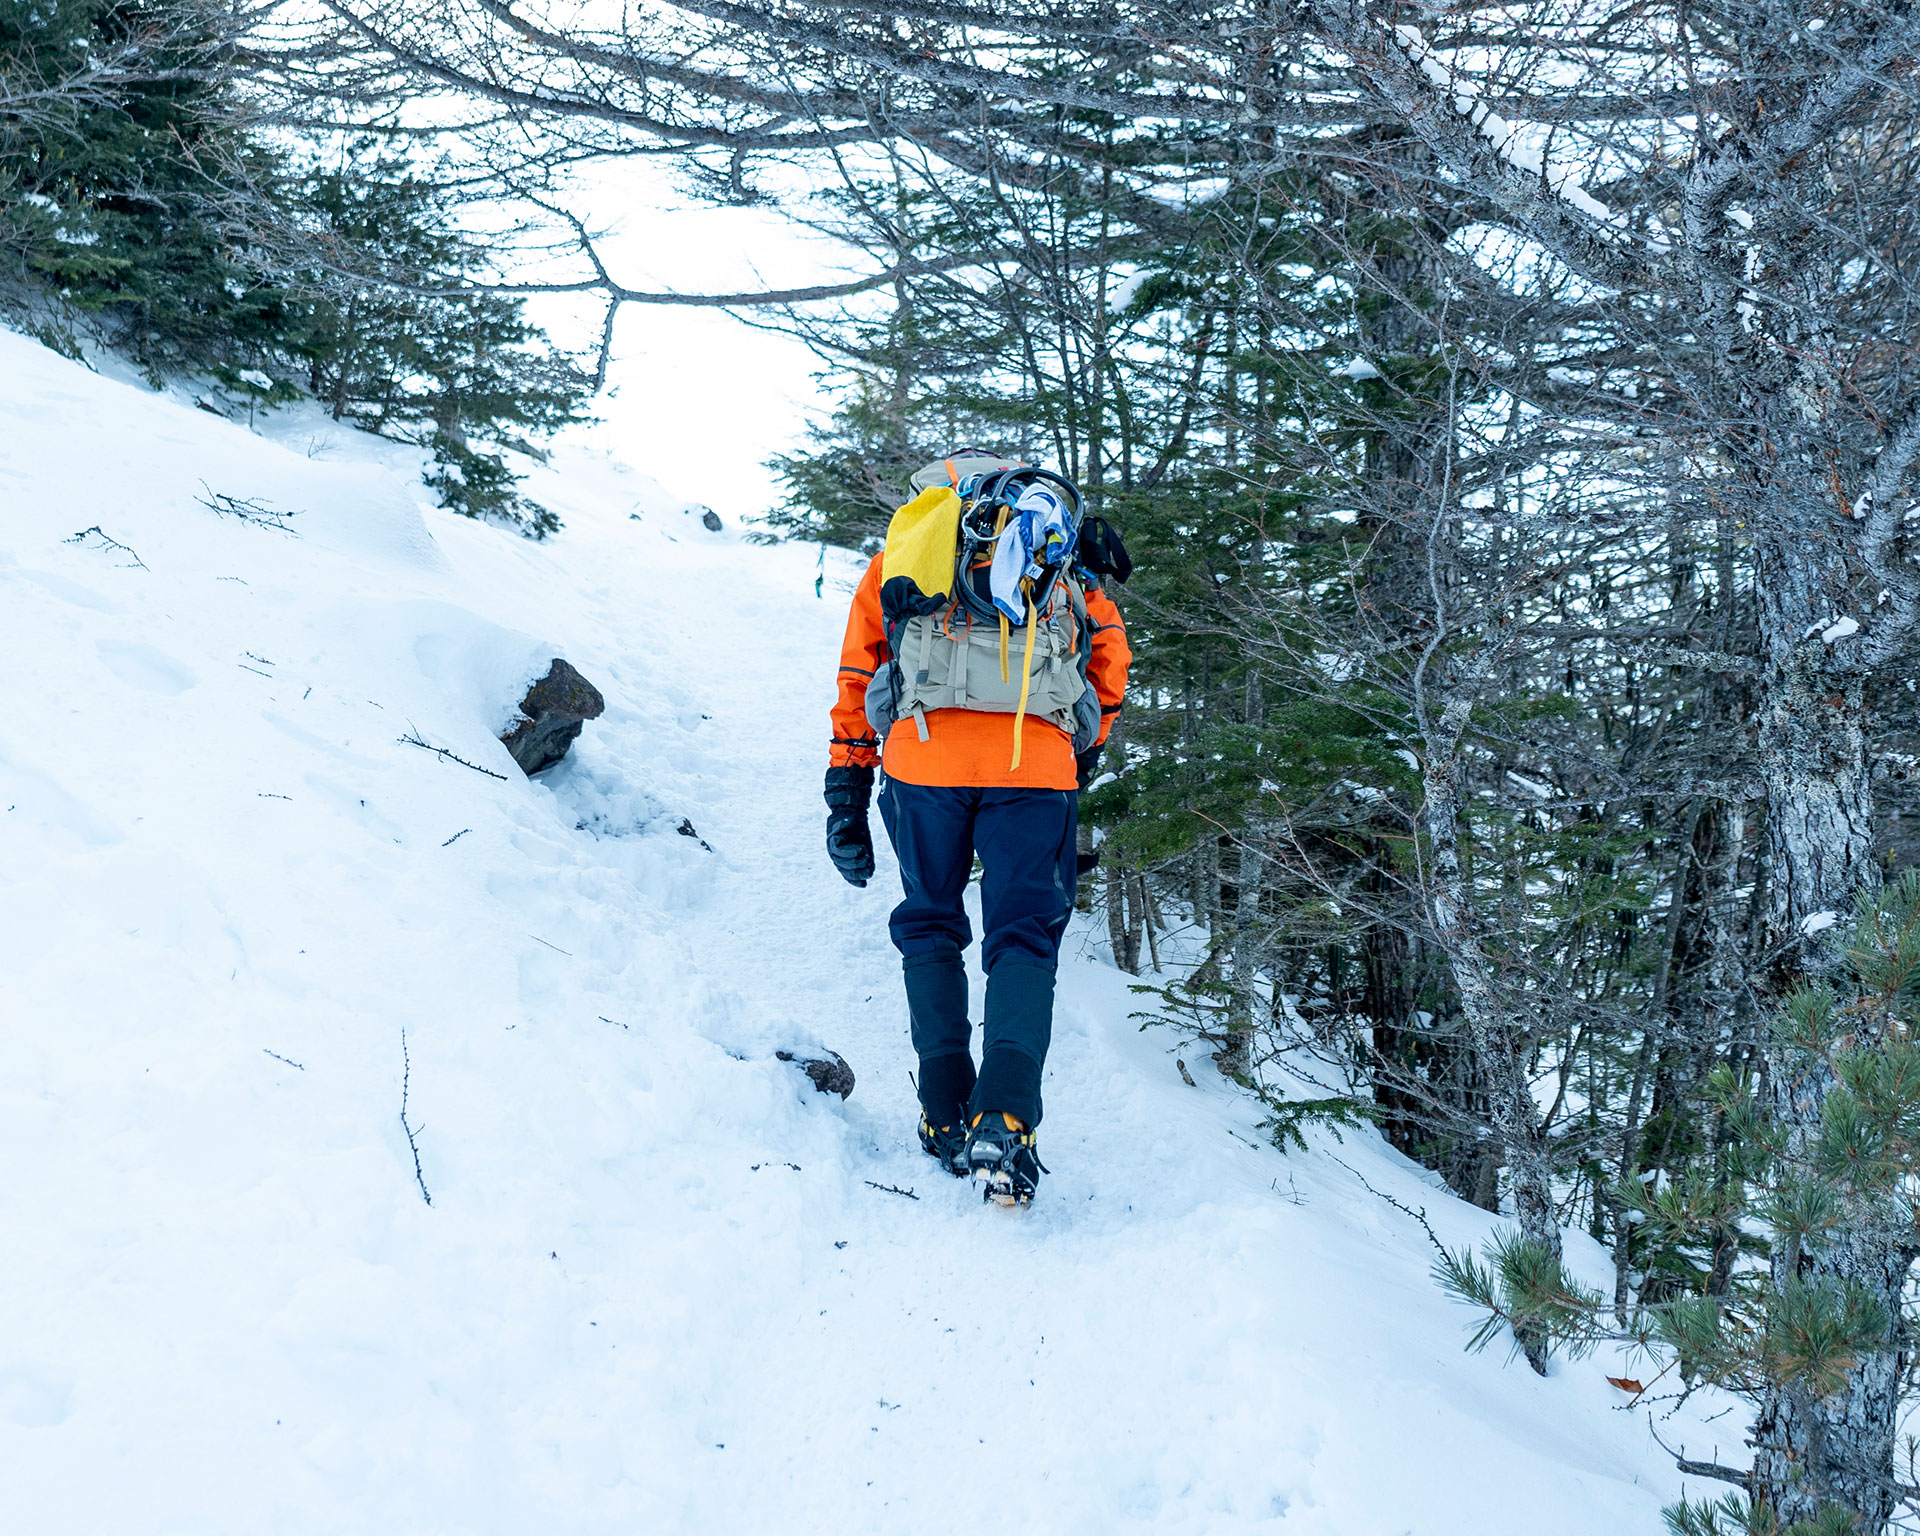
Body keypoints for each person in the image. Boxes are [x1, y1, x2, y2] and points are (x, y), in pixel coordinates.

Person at [822, 452, 1132, 1204]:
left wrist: (847, 791)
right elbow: (1110, 661)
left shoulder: (909, 551)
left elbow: (859, 673)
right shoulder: (1060, 553)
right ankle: (1006, 1118)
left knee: (930, 923)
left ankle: (942, 1111)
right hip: (1035, 765)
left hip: (921, 763)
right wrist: (1074, 754)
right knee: (1023, 938)